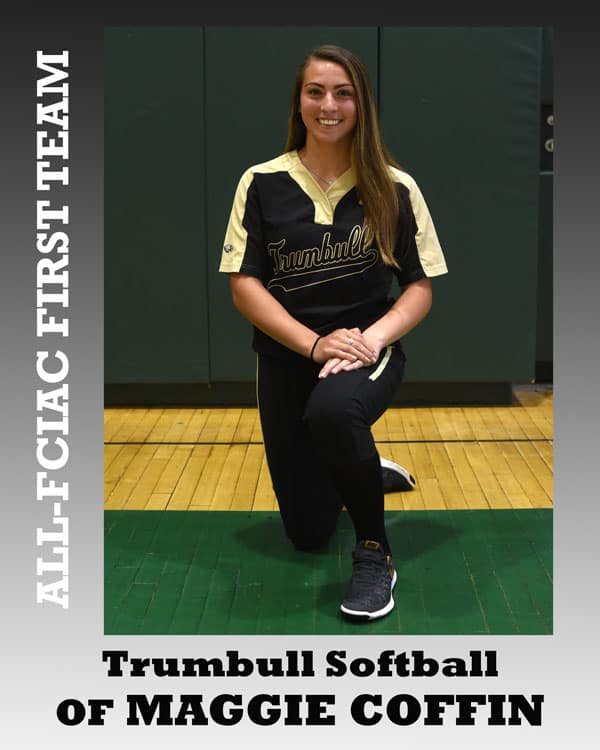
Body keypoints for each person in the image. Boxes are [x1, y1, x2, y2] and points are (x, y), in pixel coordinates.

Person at [219, 44, 448, 621]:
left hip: (363, 350)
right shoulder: (261, 182)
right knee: (306, 532)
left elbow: (419, 288)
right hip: (287, 356)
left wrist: (374, 339)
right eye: (316, 92)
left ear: (361, 104)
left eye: (343, 94)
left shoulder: (395, 187)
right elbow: (244, 285)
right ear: (298, 102)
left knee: (333, 411)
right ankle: (360, 465)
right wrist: (313, 344)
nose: (329, 105)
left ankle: (375, 553)